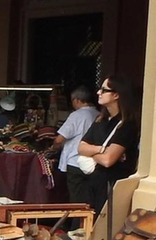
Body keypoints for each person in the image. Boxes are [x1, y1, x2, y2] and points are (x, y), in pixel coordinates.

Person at [77, 75, 142, 219]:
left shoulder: (127, 125)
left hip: (110, 188)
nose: (98, 93)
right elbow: (80, 148)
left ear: (116, 94)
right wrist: (101, 150)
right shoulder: (100, 120)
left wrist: (92, 151)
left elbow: (108, 161)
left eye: (103, 90)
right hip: (92, 184)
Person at [53, 86, 100, 208]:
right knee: (90, 200)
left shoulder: (77, 115)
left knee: (76, 201)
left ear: (77, 100)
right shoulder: (99, 115)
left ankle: (75, 225)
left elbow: (60, 139)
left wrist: (53, 148)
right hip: (93, 163)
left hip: (75, 162)